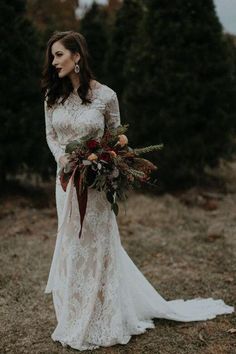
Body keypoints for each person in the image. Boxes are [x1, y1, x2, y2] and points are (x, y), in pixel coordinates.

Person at [41, 31, 234, 351]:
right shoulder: (52, 96)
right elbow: (50, 135)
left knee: (98, 248)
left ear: (77, 57)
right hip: (67, 184)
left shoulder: (106, 96)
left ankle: (102, 316)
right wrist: (62, 157)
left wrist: (105, 161)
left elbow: (117, 137)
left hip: (97, 186)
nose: (54, 61)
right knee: (71, 248)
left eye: (59, 54)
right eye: (52, 56)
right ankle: (73, 315)